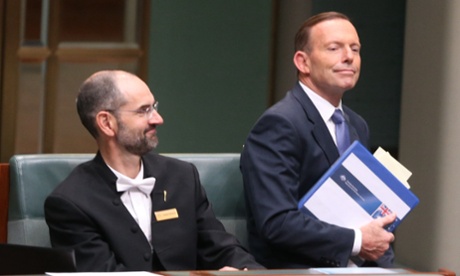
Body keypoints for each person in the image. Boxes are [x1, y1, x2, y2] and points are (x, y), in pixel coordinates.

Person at [44, 70, 263, 272]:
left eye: (154, 107)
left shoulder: (182, 176)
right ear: (106, 123)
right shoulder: (70, 203)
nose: (158, 119)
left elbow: (220, 247)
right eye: (144, 110)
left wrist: (247, 273)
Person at [240, 12, 396, 269]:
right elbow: (277, 223)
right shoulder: (279, 124)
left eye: (355, 49)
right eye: (334, 48)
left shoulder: (357, 125)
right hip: (299, 269)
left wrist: (387, 265)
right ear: (303, 62)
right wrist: (357, 241)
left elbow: (364, 211)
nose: (349, 57)